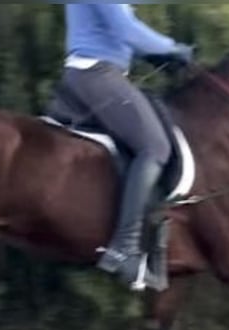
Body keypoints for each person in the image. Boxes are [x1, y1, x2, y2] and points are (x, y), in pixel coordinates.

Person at [53, 4, 193, 290]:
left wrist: (153, 54)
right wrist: (171, 48)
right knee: (155, 146)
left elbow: (117, 33)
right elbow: (126, 29)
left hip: (101, 70)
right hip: (96, 72)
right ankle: (124, 248)